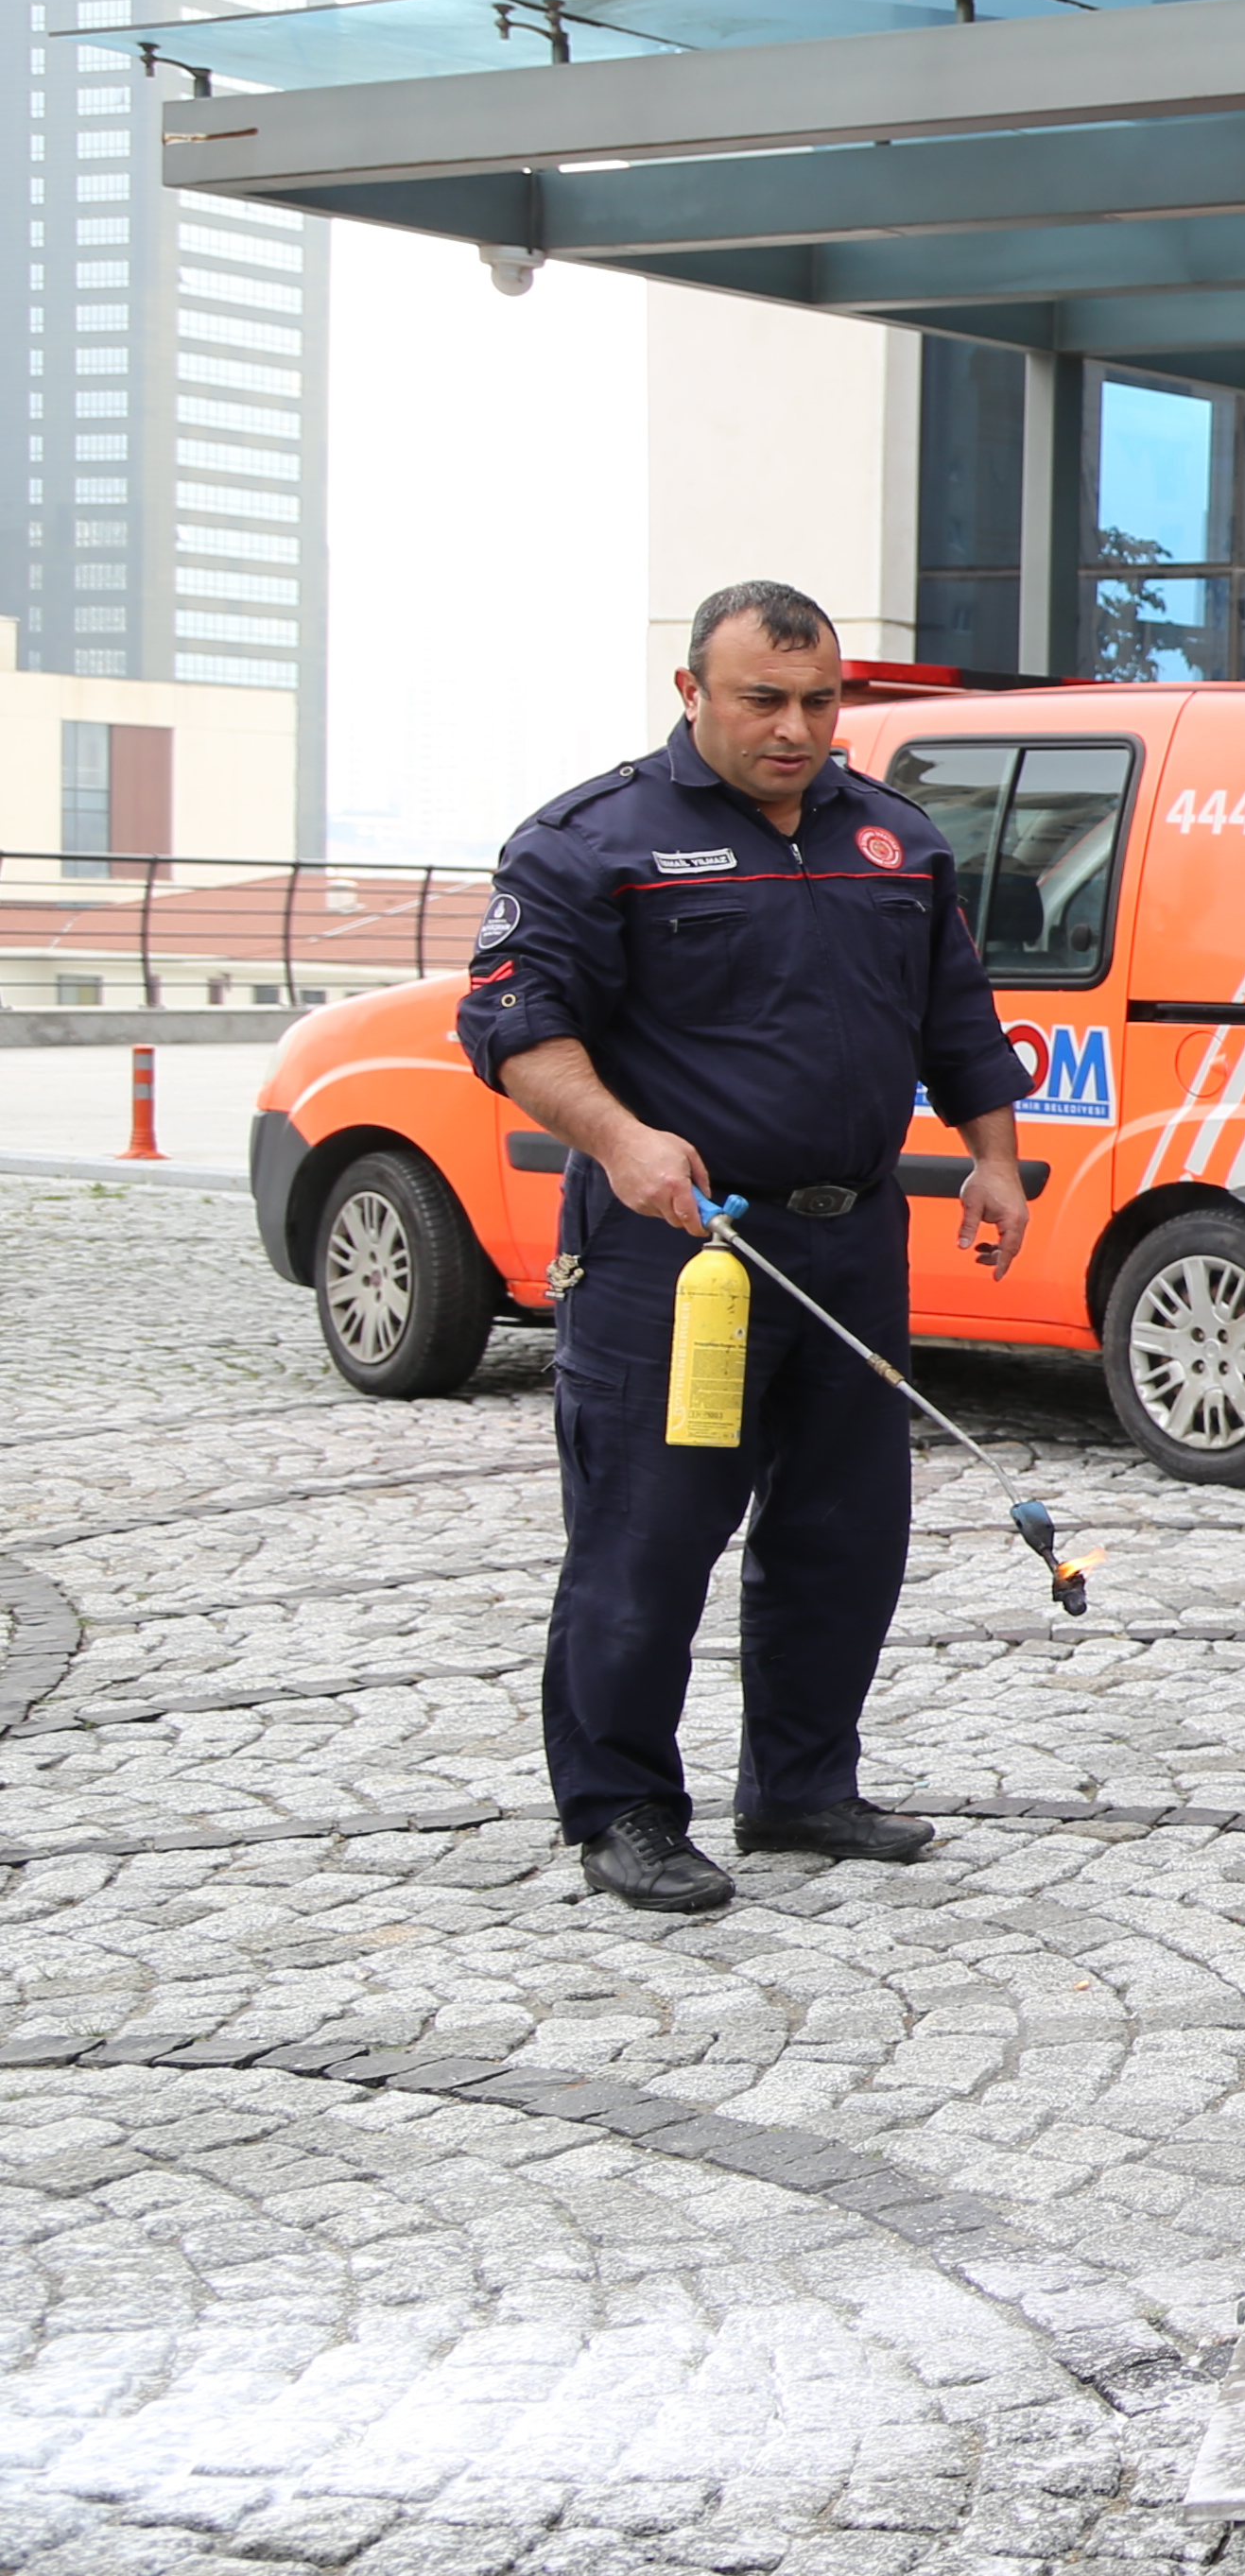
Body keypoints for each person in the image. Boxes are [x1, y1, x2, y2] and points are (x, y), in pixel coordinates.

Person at [455, 582, 1034, 1917]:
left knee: (846, 1529)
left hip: (851, 1240)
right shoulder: (592, 844)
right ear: (693, 694)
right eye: (763, 700)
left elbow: (959, 1018)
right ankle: (626, 1810)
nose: (795, 729)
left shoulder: (893, 841)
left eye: (819, 702)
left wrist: (995, 1158)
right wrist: (619, 1138)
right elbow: (515, 1032)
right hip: (678, 1251)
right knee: (647, 1536)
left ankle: (801, 1786)